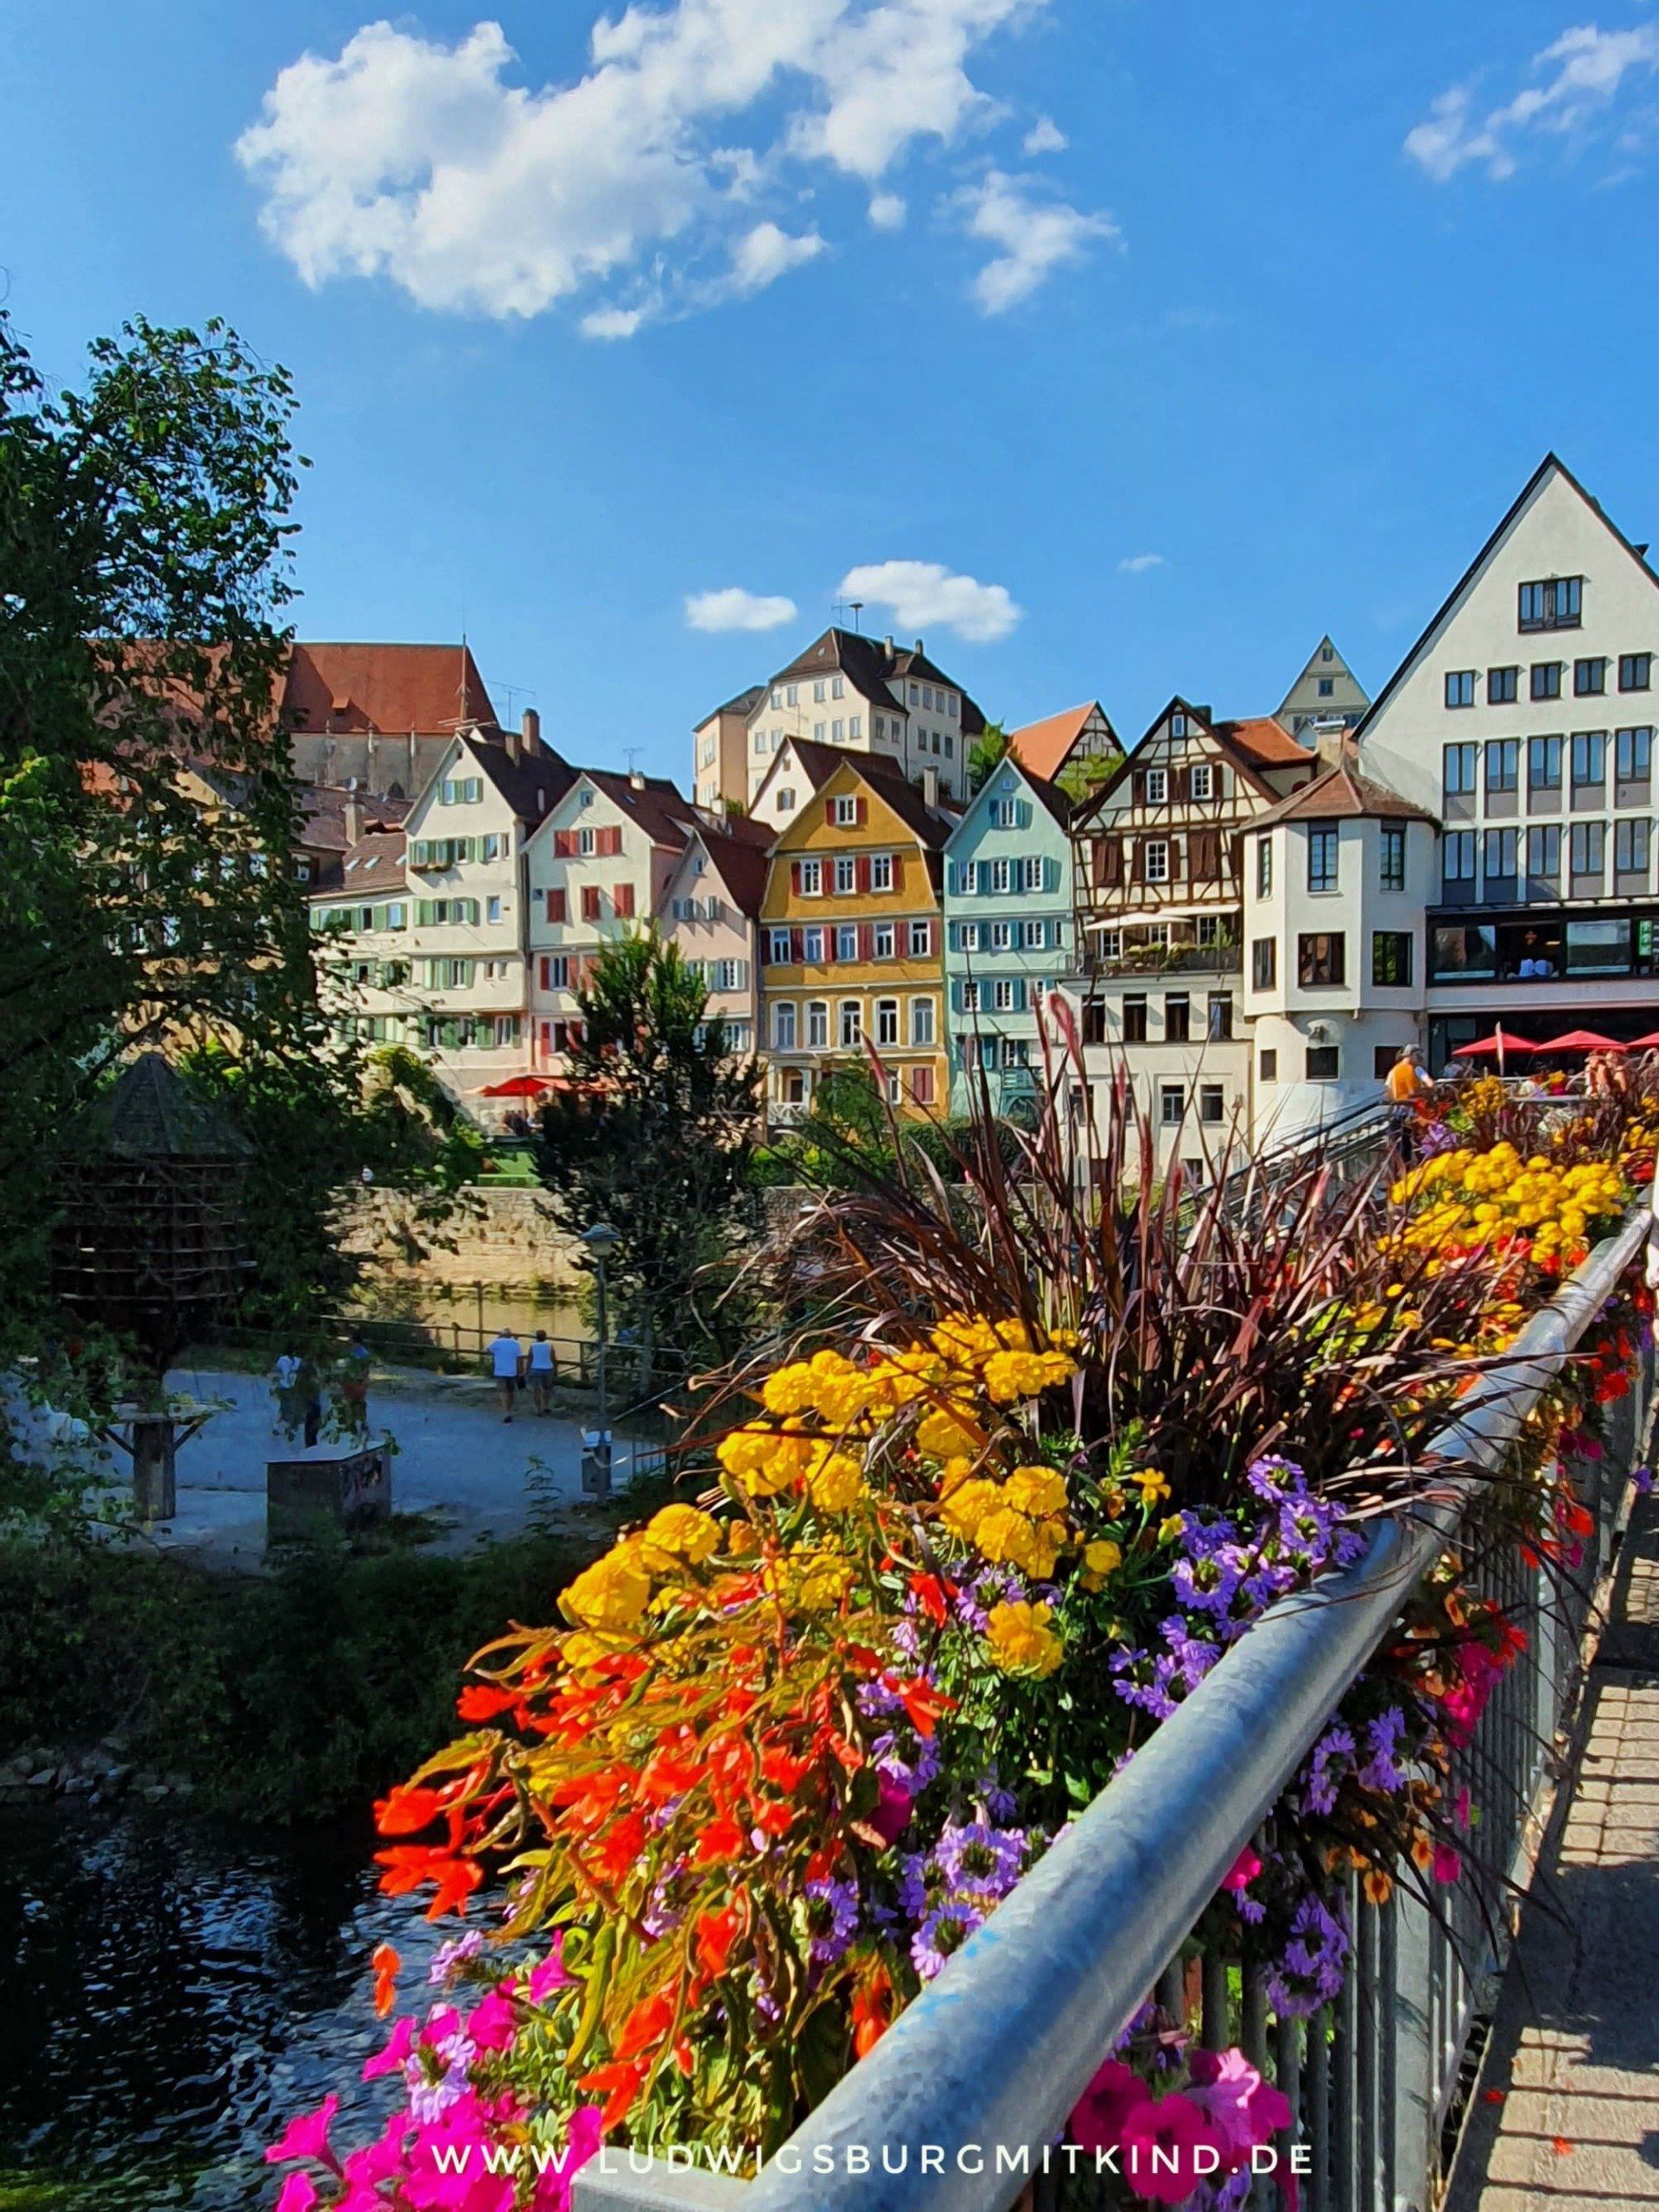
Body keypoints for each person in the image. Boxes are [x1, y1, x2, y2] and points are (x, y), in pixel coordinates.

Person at [489, 1327, 524, 1421]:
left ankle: (506, 1412)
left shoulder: (496, 1342)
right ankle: (509, 1408)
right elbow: (519, 1358)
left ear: (501, 1335)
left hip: (500, 1371)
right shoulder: (516, 1344)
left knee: (503, 1392)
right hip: (512, 1371)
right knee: (511, 1391)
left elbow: (488, 1350)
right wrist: (521, 1371)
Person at [340, 1338, 372, 1438]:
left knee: (359, 1402)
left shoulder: (363, 1353)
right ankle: (351, 1422)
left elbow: (366, 1369)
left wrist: (360, 1378)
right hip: (350, 1381)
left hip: (358, 1381)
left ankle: (362, 1422)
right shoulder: (350, 1352)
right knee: (350, 1401)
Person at [272, 1351, 302, 1440]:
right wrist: (274, 1385)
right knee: (285, 1406)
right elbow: (276, 1373)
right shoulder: (282, 1360)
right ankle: (280, 1426)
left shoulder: (298, 1361)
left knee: (291, 1407)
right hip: (283, 1388)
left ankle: (286, 1426)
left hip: (293, 1388)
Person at [528, 1329, 556, 1415]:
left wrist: (527, 1370)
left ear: (536, 1337)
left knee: (536, 1390)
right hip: (548, 1368)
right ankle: (546, 1406)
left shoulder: (532, 1346)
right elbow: (553, 1358)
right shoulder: (550, 1346)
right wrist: (555, 1369)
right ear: (545, 1337)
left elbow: (530, 1359)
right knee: (547, 1389)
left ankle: (538, 1409)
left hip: (535, 1369)